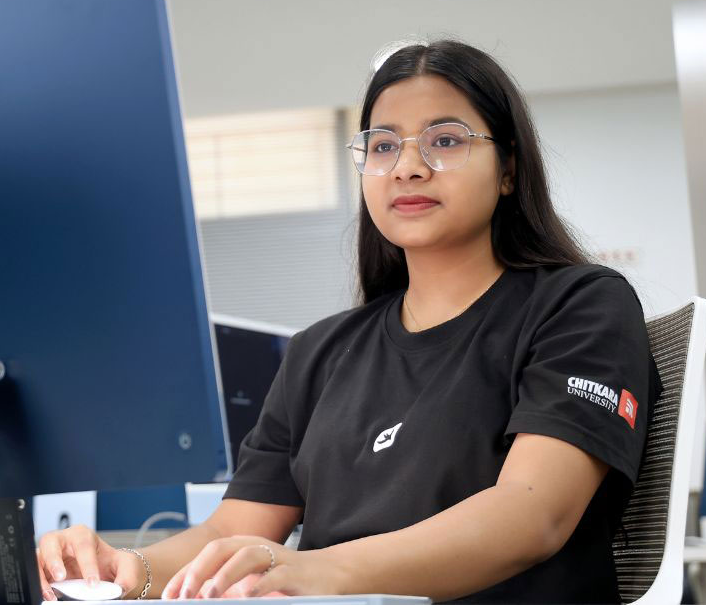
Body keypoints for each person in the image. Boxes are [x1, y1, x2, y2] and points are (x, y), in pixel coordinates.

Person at [35, 40, 660, 603]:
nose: (407, 167)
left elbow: (532, 514)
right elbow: (234, 530)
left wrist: (314, 571)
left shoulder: (579, 305)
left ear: (509, 170)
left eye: (445, 140)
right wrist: (128, 570)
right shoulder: (318, 352)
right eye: (383, 145)